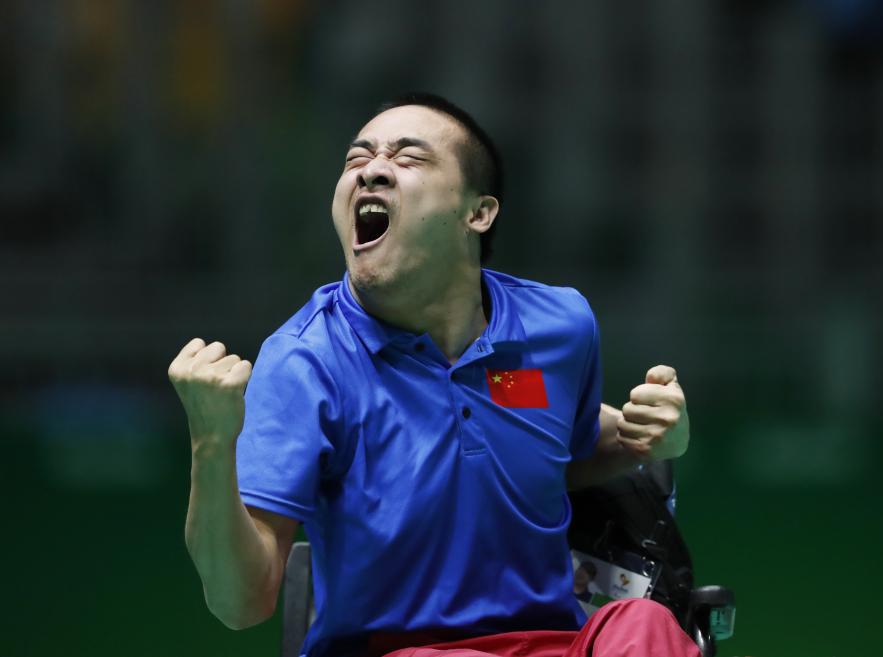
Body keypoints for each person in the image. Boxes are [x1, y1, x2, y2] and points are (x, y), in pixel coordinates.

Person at [168, 93, 698, 657]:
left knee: (646, 625)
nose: (371, 168)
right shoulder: (306, 363)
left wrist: (665, 437)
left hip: (551, 643)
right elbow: (240, 603)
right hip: (395, 651)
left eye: (408, 158)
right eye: (356, 160)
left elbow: (571, 442)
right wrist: (211, 443)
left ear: (479, 213)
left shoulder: (559, 327)